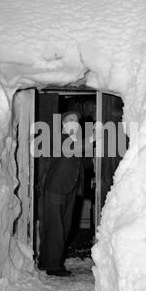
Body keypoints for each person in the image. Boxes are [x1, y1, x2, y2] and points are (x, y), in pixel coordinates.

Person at [38, 111, 96, 277]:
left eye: (76, 120)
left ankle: (45, 260)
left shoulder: (75, 140)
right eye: (70, 120)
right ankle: (54, 266)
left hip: (69, 189)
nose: (73, 122)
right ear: (63, 123)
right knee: (56, 228)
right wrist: (92, 138)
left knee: (63, 227)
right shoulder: (59, 137)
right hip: (55, 188)